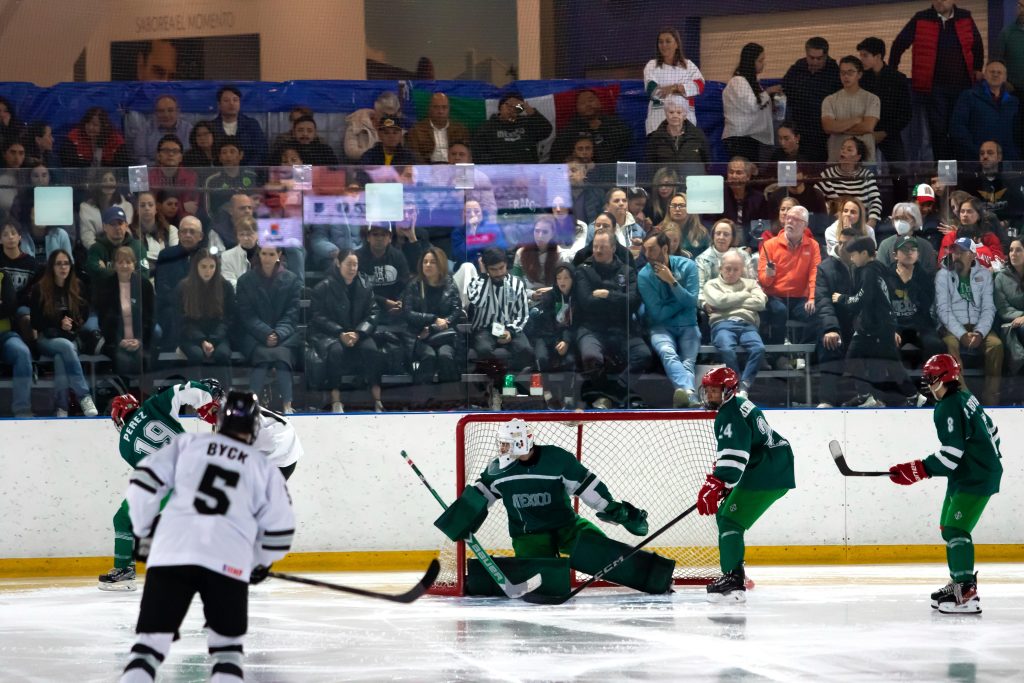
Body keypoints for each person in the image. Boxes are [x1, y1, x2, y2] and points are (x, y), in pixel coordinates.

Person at [117, 391, 294, 682]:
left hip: (171, 555)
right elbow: (279, 532)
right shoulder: (264, 469)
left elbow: (142, 485)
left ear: (220, 420)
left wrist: (146, 532)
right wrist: (258, 563)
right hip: (227, 561)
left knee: (147, 651)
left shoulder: (188, 445)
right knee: (227, 655)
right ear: (254, 427)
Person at [435, 418, 669, 595]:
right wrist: (461, 520)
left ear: (521, 442)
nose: (502, 450)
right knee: (544, 581)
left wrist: (618, 512)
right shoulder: (498, 470)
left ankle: (656, 577)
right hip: (528, 534)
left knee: (601, 552)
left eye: (507, 445)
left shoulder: (557, 460)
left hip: (566, 526)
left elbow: (589, 490)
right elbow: (480, 496)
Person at [887, 353, 1001, 614]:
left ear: (946, 378)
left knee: (956, 530)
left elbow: (951, 454)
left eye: (931, 378)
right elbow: (992, 432)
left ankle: (966, 592)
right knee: (947, 527)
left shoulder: (949, 406)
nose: (927, 383)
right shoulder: (966, 397)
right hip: (968, 472)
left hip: (976, 476)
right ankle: (958, 582)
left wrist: (916, 470)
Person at [97, 379, 221, 591]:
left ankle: (124, 571)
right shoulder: (153, 405)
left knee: (123, 519)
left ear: (118, 417)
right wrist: (208, 399)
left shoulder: (124, 445)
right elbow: (186, 389)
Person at [695, 367, 795, 601]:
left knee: (730, 520)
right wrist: (724, 482)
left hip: (767, 472)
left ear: (729, 390)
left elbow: (735, 455)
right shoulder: (737, 404)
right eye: (708, 391)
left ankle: (733, 580)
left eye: (715, 391)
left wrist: (719, 482)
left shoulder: (730, 413)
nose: (710, 396)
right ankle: (737, 572)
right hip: (769, 466)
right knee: (726, 515)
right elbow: (744, 449)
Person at [833, 237, 927, 407]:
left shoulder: (869, 271)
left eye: (854, 255)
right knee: (885, 362)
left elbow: (862, 298)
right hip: (877, 324)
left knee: (860, 359)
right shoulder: (880, 270)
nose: (852, 259)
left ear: (863, 253)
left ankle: (877, 395)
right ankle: (904, 395)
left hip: (876, 326)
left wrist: (842, 299)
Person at [890, 0, 984, 162]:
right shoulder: (921, 18)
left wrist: (977, 68)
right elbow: (899, 44)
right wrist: (892, 71)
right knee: (938, 132)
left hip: (962, 87)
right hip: (934, 87)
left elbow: (977, 45)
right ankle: (943, 175)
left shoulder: (965, 16)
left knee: (959, 130)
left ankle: (961, 174)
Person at [575, 229, 651, 407]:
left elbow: (633, 301)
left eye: (603, 247)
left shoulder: (627, 271)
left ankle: (612, 392)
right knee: (590, 357)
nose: (598, 250)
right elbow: (587, 302)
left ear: (614, 248)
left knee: (644, 355)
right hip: (592, 328)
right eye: (595, 246)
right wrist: (618, 297)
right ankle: (613, 395)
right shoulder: (583, 270)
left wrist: (608, 295)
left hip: (622, 328)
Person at [310, 248, 385, 413]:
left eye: (355, 264)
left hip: (359, 333)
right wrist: (340, 333)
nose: (352, 268)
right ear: (338, 263)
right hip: (332, 335)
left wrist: (359, 333)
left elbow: (373, 313)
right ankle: (336, 398)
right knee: (335, 352)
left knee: (372, 350)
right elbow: (318, 316)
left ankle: (377, 399)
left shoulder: (365, 285)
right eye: (348, 264)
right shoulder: (323, 287)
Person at [28, 249, 98, 417]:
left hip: (70, 336)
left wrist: (71, 324)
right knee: (66, 347)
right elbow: (36, 322)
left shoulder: (78, 286)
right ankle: (84, 396)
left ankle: (62, 407)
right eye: (59, 263)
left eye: (66, 263)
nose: (63, 267)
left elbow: (84, 315)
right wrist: (59, 323)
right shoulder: (40, 289)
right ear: (52, 267)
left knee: (62, 357)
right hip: (47, 339)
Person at [935, 237, 1003, 405]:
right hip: (952, 327)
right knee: (950, 346)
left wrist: (980, 332)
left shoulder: (985, 275)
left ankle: (991, 398)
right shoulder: (943, 275)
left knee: (996, 345)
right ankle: (964, 399)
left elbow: (989, 308)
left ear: (972, 255)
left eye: (961, 252)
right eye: (954, 252)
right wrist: (962, 333)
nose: (956, 255)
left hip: (979, 325)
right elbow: (943, 309)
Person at [235, 246, 302, 414]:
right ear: (259, 254)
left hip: (284, 336)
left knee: (282, 357)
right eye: (264, 254)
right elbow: (246, 315)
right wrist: (266, 333)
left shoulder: (292, 279)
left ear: (279, 255)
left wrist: (278, 334)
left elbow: (292, 314)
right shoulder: (245, 280)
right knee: (262, 357)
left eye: (271, 254)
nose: (267, 258)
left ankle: (287, 404)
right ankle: (253, 405)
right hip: (255, 336)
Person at [638, 231, 699, 407]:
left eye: (652, 250)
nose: (647, 255)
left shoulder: (688, 266)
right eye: (645, 250)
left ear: (665, 248)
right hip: (661, 328)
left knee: (688, 362)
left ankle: (688, 396)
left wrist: (672, 282)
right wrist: (681, 301)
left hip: (689, 325)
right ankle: (691, 396)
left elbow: (693, 301)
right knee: (667, 353)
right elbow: (658, 314)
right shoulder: (643, 275)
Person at [466, 248, 532, 400]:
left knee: (526, 350)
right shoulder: (476, 283)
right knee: (483, 350)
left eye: (501, 268)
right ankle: (501, 387)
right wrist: (483, 275)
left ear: (506, 265)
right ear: (487, 269)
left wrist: (511, 331)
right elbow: (478, 301)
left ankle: (506, 381)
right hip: (484, 329)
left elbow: (522, 314)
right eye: (493, 270)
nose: (498, 273)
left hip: (509, 327)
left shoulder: (516, 284)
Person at [703, 251, 767, 397]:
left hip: (747, 325)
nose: (731, 272)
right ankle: (736, 385)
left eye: (736, 269)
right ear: (721, 268)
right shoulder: (711, 285)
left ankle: (745, 385)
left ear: (742, 270)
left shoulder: (751, 283)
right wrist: (745, 295)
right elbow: (718, 301)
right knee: (726, 348)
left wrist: (728, 303)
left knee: (759, 349)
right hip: (722, 325)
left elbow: (760, 302)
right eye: (728, 268)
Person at [402, 246, 465, 385]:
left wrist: (440, 324)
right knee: (428, 356)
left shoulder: (449, 283)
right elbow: (408, 313)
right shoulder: (414, 285)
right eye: (425, 262)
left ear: (441, 264)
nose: (428, 265)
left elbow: (456, 310)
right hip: (418, 335)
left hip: (443, 334)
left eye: (432, 262)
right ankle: (422, 400)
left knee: (445, 356)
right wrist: (432, 319)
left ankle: (450, 400)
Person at [758, 205, 820, 345]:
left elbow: (814, 273)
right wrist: (768, 276)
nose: (789, 221)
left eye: (795, 219)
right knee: (779, 311)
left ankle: (801, 352)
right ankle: (778, 356)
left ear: (805, 225)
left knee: (817, 313)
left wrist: (812, 298)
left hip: (800, 299)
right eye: (788, 218)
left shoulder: (813, 245)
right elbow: (763, 282)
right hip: (775, 297)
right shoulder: (769, 245)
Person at [177, 249, 234, 389]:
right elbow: (182, 321)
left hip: (218, 335)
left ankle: (225, 395)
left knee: (223, 354)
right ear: (196, 266)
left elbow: (228, 318)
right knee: (196, 355)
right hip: (190, 336)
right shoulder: (184, 287)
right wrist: (201, 340)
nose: (207, 271)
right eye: (203, 266)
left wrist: (214, 340)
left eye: (211, 267)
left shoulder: (225, 286)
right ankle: (195, 399)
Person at [96, 247, 154, 378]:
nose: (124, 265)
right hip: (115, 341)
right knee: (123, 362)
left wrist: (139, 340)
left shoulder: (144, 286)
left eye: (128, 262)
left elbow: (149, 317)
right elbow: (104, 319)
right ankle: (123, 397)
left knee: (143, 360)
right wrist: (118, 341)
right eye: (120, 262)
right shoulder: (106, 286)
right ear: (114, 265)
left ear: (134, 264)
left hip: (139, 340)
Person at [782, 36, 841, 162]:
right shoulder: (798, 68)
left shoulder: (835, 73)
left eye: (819, 59)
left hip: (822, 134)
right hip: (800, 130)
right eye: (811, 58)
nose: (814, 62)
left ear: (826, 56)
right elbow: (785, 88)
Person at [528, 262, 578, 409]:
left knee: (570, 361)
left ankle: (568, 397)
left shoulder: (577, 298)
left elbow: (576, 324)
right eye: (559, 278)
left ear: (573, 279)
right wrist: (558, 340)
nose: (562, 281)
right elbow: (546, 325)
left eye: (566, 278)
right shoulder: (549, 297)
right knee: (542, 358)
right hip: (545, 337)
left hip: (565, 338)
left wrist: (566, 341)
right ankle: (548, 395)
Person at [890, 235, 945, 366]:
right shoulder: (885, 275)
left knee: (936, 345)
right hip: (896, 327)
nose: (909, 252)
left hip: (920, 327)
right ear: (895, 255)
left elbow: (925, 305)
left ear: (917, 254)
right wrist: (891, 329)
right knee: (885, 345)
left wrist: (909, 283)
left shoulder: (923, 276)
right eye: (904, 249)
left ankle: (932, 383)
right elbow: (882, 307)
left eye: (912, 249)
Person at [857, 37, 913, 164]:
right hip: (866, 133)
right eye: (861, 56)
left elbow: (906, 113)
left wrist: (885, 132)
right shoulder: (861, 79)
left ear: (877, 56)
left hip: (890, 132)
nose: (862, 60)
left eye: (865, 56)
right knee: (862, 170)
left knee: (899, 171)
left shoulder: (897, 79)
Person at [951, 60, 1019, 161]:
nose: (995, 74)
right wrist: (977, 150)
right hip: (975, 160)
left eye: (999, 72)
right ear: (985, 75)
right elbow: (957, 127)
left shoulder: (1013, 102)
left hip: (1007, 161)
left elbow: (1018, 132)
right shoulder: (969, 96)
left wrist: (1015, 155)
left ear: (1005, 78)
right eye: (992, 71)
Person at [722, 43, 779, 161]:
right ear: (750, 61)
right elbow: (751, 106)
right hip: (740, 139)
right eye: (760, 60)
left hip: (751, 137)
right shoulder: (738, 81)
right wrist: (768, 92)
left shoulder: (752, 82)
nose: (763, 64)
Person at [643, 27, 705, 133]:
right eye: (661, 42)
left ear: (676, 44)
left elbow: (699, 86)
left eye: (668, 41)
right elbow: (653, 91)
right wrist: (682, 90)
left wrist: (673, 88)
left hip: (686, 123)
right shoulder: (651, 65)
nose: (664, 45)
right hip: (658, 124)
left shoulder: (689, 65)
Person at [821, 55, 880, 162]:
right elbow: (828, 127)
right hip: (836, 161)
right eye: (842, 73)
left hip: (865, 162)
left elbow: (867, 127)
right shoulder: (829, 100)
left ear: (859, 74)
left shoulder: (872, 99)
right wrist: (855, 120)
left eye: (850, 72)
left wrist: (838, 128)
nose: (846, 76)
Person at [552, 88, 632, 164]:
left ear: (600, 103)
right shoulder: (569, 130)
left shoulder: (616, 124)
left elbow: (626, 152)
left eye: (591, 100)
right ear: (577, 108)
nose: (588, 104)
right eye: (582, 103)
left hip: (611, 172)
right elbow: (557, 157)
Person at [816, 137, 883, 227]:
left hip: (862, 224)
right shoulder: (828, 174)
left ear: (858, 157)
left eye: (849, 150)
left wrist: (872, 221)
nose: (843, 151)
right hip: (835, 224)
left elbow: (875, 201)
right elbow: (816, 198)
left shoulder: (866, 175)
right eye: (842, 148)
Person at [471, 92, 553, 164]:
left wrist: (532, 112)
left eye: (516, 108)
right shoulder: (486, 128)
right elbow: (478, 154)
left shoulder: (527, 123)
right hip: (498, 174)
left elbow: (546, 131)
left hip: (526, 172)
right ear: (500, 108)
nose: (511, 110)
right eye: (508, 106)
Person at [511, 215, 566, 306]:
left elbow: (565, 285)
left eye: (545, 232)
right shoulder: (521, 253)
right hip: (527, 300)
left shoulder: (561, 255)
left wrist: (551, 290)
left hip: (552, 300)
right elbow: (515, 284)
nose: (540, 236)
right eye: (537, 231)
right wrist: (531, 294)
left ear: (552, 233)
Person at [937, 196, 1005, 268]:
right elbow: (942, 262)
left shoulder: (989, 237)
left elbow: (1000, 261)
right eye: (962, 211)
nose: (965, 215)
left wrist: (991, 269)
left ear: (979, 215)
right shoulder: (951, 237)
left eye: (969, 211)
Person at [644, 95, 709, 169]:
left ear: (685, 115)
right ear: (666, 114)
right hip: (665, 180)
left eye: (679, 112)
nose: (675, 115)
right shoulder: (656, 137)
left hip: (692, 180)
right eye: (671, 112)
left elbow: (707, 162)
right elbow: (649, 165)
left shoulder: (698, 135)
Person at [202, 139, 259, 221]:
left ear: (240, 155)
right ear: (220, 157)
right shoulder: (212, 180)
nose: (228, 155)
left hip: (248, 222)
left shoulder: (252, 176)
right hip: (221, 223)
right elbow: (208, 211)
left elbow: (256, 202)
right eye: (224, 152)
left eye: (232, 152)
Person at [406, 93, 471, 163]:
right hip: (427, 169)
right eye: (436, 107)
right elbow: (414, 156)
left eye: (444, 107)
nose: (440, 111)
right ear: (429, 108)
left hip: (454, 168)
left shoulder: (460, 130)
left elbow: (466, 155)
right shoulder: (416, 130)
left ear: (449, 109)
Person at [211, 85, 268, 166]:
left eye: (235, 100)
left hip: (248, 173)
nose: (231, 103)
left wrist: (245, 171)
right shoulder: (211, 126)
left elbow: (261, 151)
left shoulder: (251, 125)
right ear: (219, 105)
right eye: (226, 100)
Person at [130, 95, 193, 167]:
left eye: (170, 110)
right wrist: (160, 167)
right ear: (155, 113)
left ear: (178, 111)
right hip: (152, 172)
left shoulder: (189, 129)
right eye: (161, 111)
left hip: (183, 172)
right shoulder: (144, 130)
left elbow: (193, 158)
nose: (166, 115)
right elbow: (138, 159)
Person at [78, 170, 135, 249]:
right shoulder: (86, 208)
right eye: (104, 180)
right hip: (96, 249)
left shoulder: (127, 206)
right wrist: (99, 250)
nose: (108, 183)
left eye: (111, 180)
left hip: (121, 250)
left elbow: (126, 232)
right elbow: (87, 235)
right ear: (98, 184)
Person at [877, 202, 937, 276]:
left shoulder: (926, 246)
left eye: (904, 218)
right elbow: (879, 273)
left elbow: (930, 275)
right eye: (897, 218)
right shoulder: (885, 245)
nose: (899, 222)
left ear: (915, 221)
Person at [696, 218, 754, 293]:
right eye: (718, 233)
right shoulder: (702, 259)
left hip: (741, 298)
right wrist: (705, 304)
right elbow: (700, 289)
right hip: (714, 299)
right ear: (713, 236)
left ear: (732, 237)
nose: (721, 237)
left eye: (726, 234)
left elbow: (752, 282)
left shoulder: (743, 255)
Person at [60, 107, 130, 168]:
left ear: (104, 126)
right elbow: (67, 162)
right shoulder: (75, 135)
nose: (90, 127)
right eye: (87, 123)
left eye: (95, 125)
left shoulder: (115, 140)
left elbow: (123, 165)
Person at [995, 238, 1024, 381]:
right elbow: (1003, 308)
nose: (1013, 254)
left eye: (1018, 250)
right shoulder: (1001, 277)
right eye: (1011, 250)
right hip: (1010, 323)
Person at [344, 90, 402, 161]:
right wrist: (376, 154)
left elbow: (402, 152)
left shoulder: (397, 128)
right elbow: (351, 152)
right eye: (385, 114)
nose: (388, 118)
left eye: (392, 115)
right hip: (363, 166)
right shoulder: (357, 122)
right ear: (376, 110)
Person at [132, 190, 178, 273]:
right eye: (142, 205)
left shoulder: (171, 230)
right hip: (141, 278)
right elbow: (133, 259)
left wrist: (148, 259)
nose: (147, 208)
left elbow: (173, 257)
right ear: (137, 210)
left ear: (156, 209)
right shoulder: (130, 231)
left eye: (150, 205)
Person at [221, 217, 258, 290]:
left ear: (258, 234)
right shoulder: (226, 256)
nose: (245, 238)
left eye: (249, 234)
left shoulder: (266, 253)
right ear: (237, 236)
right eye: (241, 234)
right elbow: (229, 282)